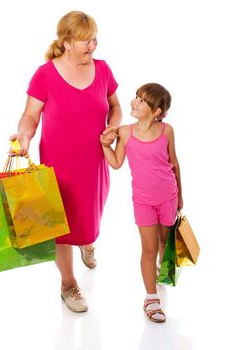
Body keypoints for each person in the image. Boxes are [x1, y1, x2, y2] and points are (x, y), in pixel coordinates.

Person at [11, 11, 121, 312]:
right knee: (61, 220)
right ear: (67, 42)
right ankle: (68, 284)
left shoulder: (103, 69)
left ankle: (87, 242)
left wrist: (113, 126)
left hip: (94, 159)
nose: (93, 46)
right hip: (58, 162)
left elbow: (115, 106)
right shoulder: (45, 74)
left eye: (95, 39)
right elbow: (31, 115)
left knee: (89, 212)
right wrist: (24, 135)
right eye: (87, 41)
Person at [100, 83, 183, 323]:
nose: (134, 102)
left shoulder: (167, 130)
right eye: (136, 97)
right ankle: (151, 297)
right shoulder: (125, 132)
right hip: (143, 201)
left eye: (141, 100)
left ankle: (161, 269)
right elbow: (116, 163)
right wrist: (105, 145)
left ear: (156, 111)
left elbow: (174, 163)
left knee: (164, 240)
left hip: (169, 196)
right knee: (148, 248)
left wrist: (181, 196)